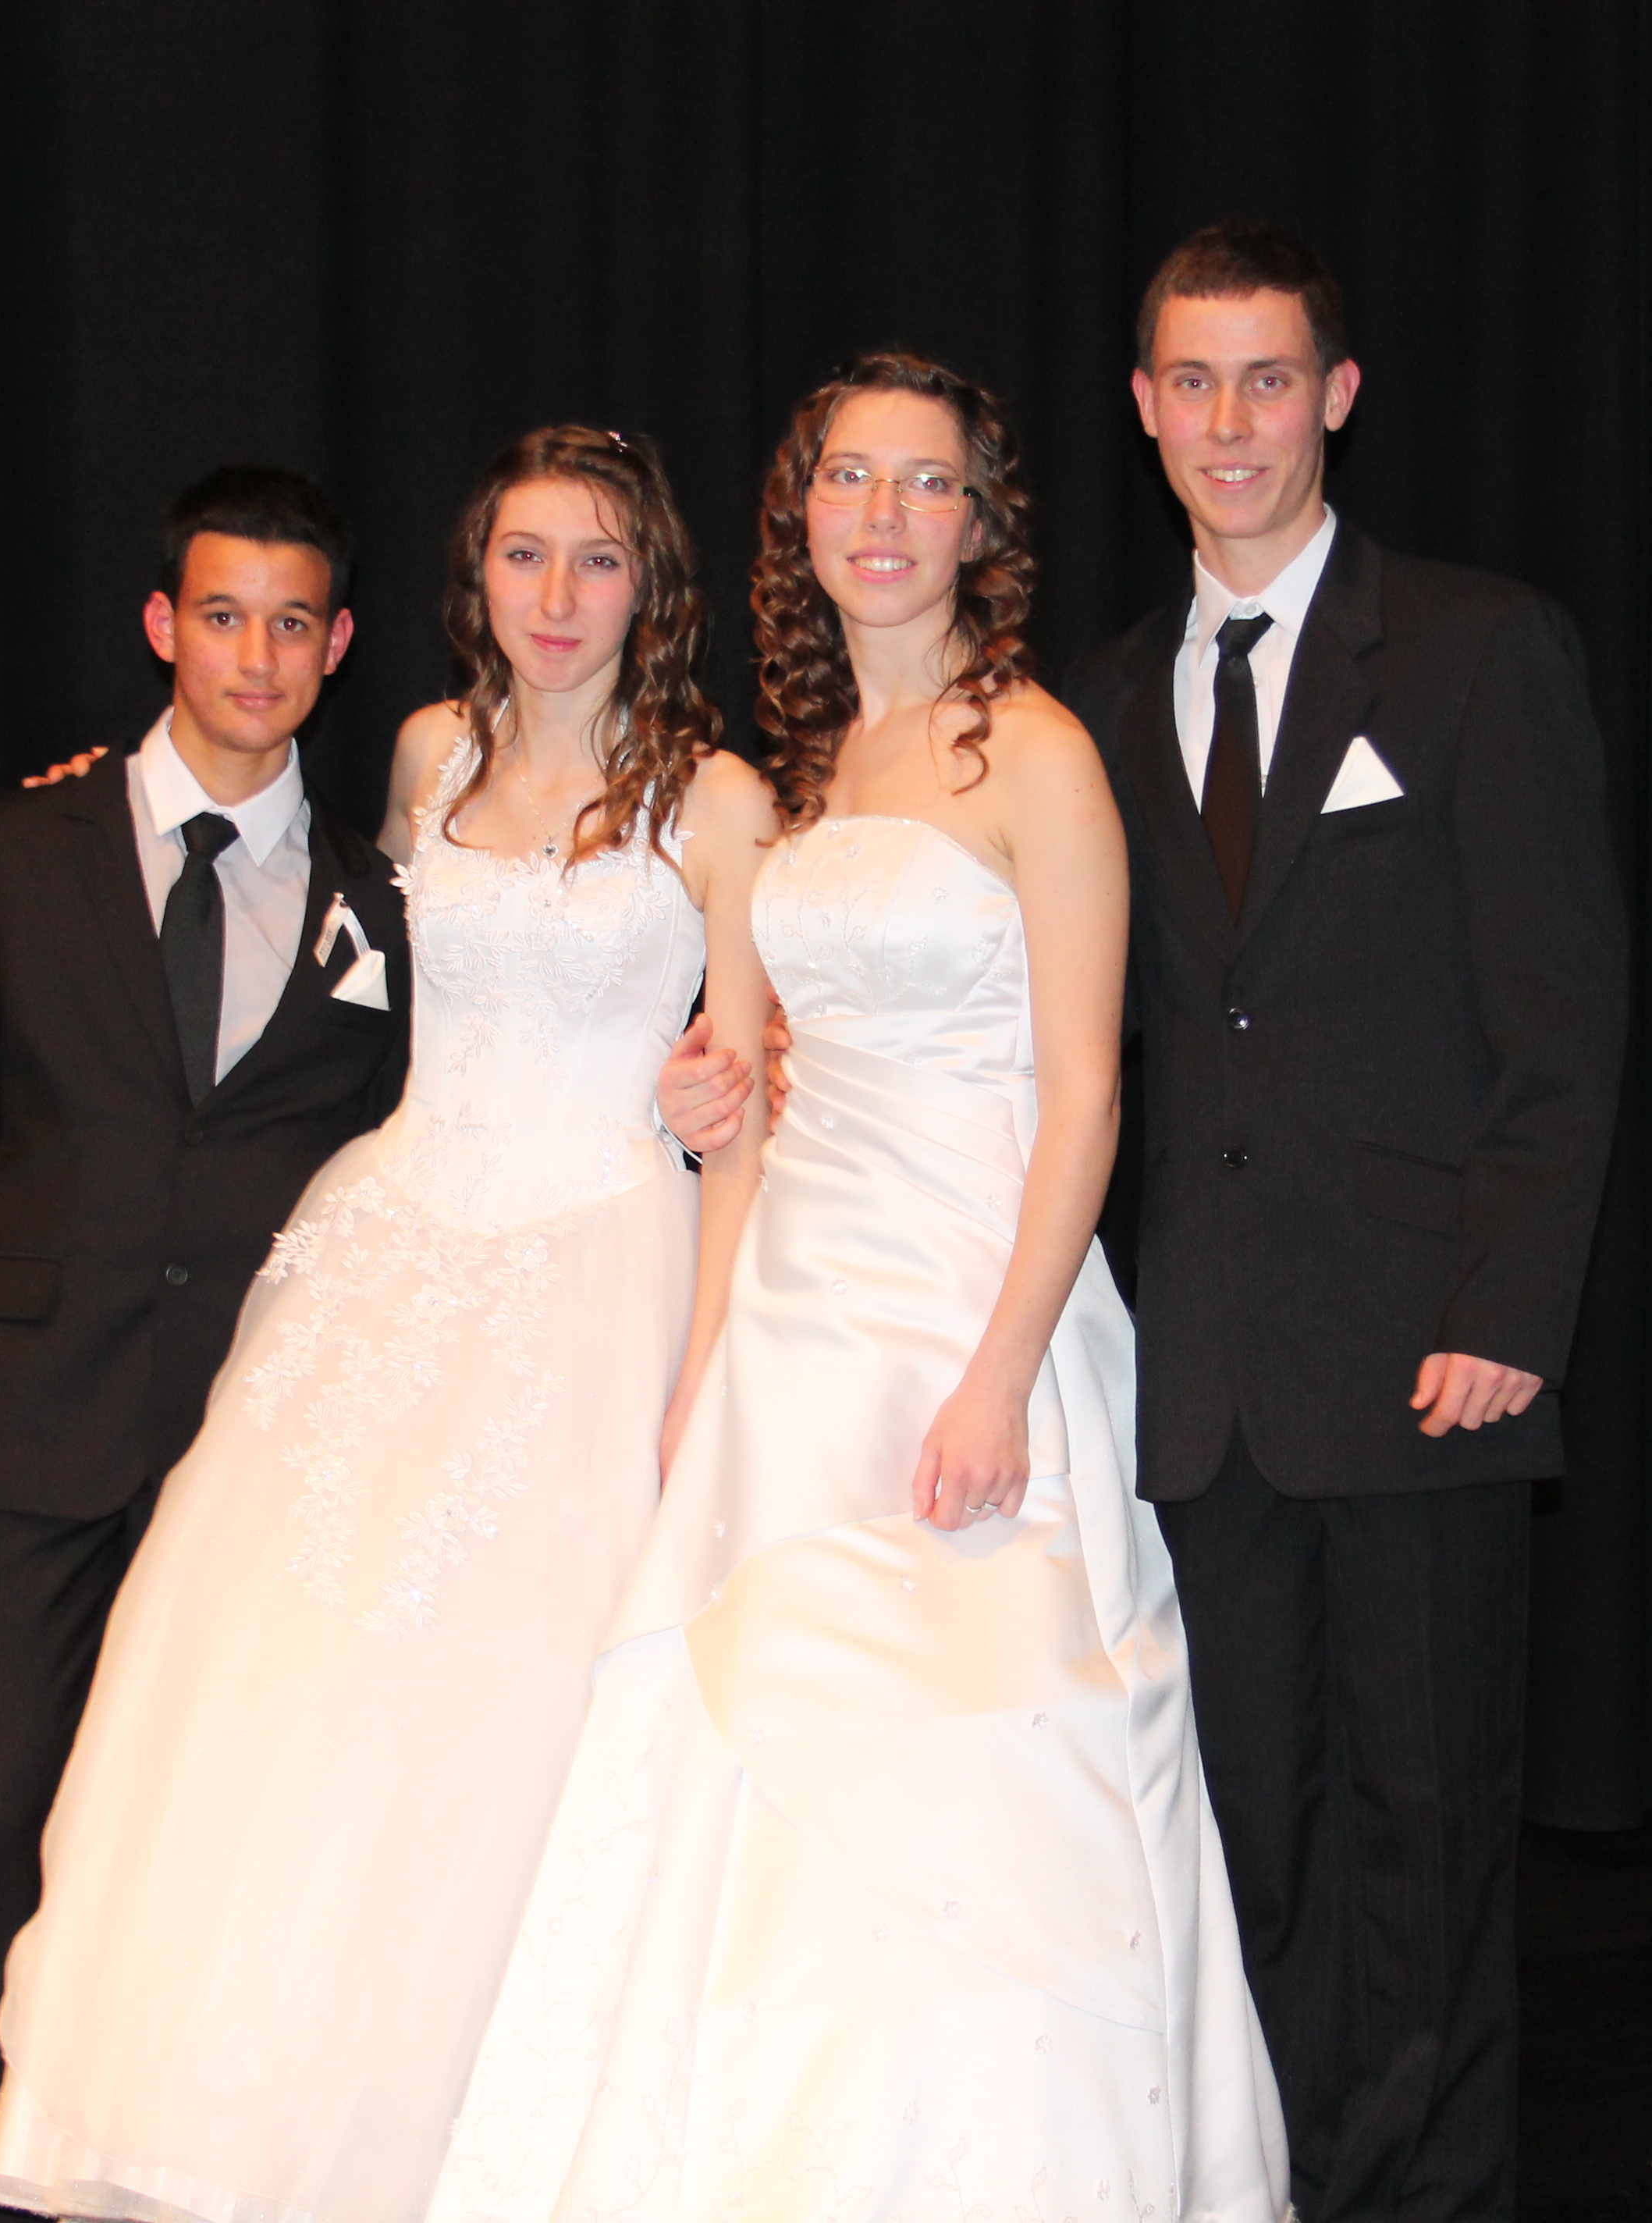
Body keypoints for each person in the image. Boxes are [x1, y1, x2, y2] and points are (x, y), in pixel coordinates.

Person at [430, 354, 1288, 2223]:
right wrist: (722, 1104)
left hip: (968, 1311)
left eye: (925, 483)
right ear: (799, 516)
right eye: (848, 479)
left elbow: (1088, 1094)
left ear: (982, 524)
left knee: (976, 1769)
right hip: (800, 1314)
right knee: (760, 1749)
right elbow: (781, 1048)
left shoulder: (1036, 754)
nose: (882, 517)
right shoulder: (811, 767)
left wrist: (999, 1371)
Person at [0, 428, 778, 2223]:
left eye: (596, 558)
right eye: (523, 555)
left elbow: (742, 1108)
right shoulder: (428, 752)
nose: (557, 596)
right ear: (474, 577)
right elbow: (335, 950)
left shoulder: (716, 798)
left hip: (599, 1266)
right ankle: (234, 2118)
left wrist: (705, 1368)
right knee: (292, 1677)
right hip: (391, 1248)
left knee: (506, 1712)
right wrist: (87, 801)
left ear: (649, 583)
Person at [1065, 225, 1628, 2222]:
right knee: (1251, 1848)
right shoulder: (1102, 698)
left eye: (1270, 377)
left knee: (1428, 1836)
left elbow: (1564, 1016)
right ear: (1144, 408)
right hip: (1205, 1380)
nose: (1232, 420)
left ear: (1338, 396)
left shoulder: (1477, 647)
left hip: (1424, 1356)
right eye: (1193, 381)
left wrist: (1512, 1306)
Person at [0, 465, 400, 2223]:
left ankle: (153, 2155)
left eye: (292, 622)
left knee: (212, 1820)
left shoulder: (386, 901)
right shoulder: (2, 855)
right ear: (164, 626)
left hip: (258, 1437)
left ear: (338, 645)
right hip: (26, 1421)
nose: (257, 655)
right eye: (223, 615)